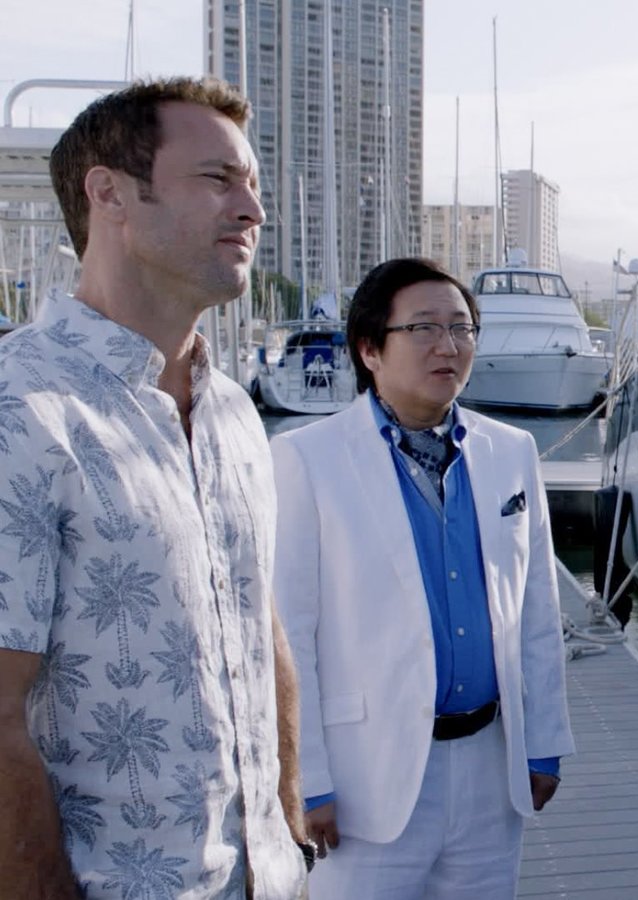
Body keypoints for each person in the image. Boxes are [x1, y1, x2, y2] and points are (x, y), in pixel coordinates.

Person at [0, 79, 308, 897]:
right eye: (218, 179)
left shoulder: (235, 412)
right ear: (109, 194)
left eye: (252, 184)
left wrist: (287, 825)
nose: (253, 210)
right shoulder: (20, 410)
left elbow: (257, 620)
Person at [273, 257, 575, 899]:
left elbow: (537, 610)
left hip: (491, 767)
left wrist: (543, 743)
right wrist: (306, 779)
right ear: (369, 349)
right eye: (424, 328)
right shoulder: (306, 459)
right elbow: (289, 635)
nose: (448, 345)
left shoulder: (511, 450)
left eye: (462, 328)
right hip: (364, 780)